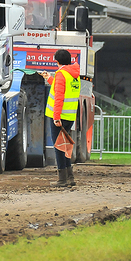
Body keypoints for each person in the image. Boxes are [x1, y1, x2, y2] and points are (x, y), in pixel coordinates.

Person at [41, 49, 80, 187]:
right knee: (65, 146)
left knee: (59, 147)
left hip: (59, 117)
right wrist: (49, 78)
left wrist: (56, 117)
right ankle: (70, 178)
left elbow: (59, 97)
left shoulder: (61, 74)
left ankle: (62, 179)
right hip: (69, 116)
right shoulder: (73, 73)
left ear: (56, 61)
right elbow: (62, 90)